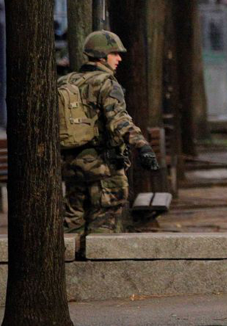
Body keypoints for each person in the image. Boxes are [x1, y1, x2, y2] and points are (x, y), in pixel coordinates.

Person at [60, 30, 159, 240]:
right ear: (102, 56)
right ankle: (98, 270)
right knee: (104, 225)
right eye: (115, 53)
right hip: (102, 166)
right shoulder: (106, 82)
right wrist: (142, 146)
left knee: (72, 223)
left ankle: (66, 268)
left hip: (71, 165)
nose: (119, 58)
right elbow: (118, 120)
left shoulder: (66, 81)